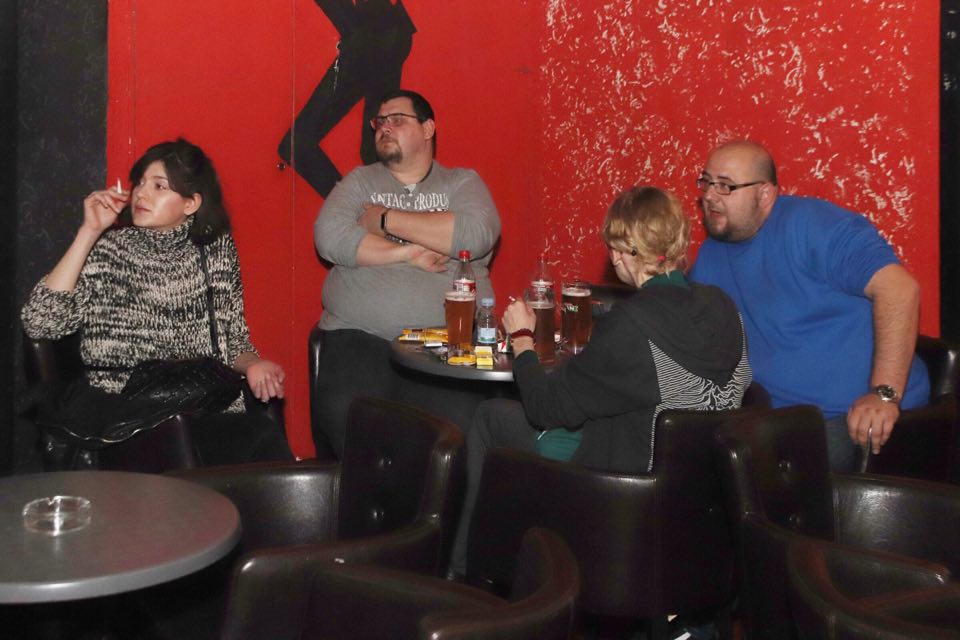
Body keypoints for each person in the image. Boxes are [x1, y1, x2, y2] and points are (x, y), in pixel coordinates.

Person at [449, 185, 752, 576]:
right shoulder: (724, 306)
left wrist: (522, 338)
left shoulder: (632, 323)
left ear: (623, 252)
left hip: (623, 493)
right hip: (702, 496)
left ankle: (466, 574)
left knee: (491, 416)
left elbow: (544, 408)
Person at [21, 138, 293, 465]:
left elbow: (231, 339)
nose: (142, 194)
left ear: (191, 203)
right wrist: (89, 232)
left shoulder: (215, 251)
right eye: (140, 183)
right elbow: (40, 323)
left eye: (159, 186)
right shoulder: (109, 250)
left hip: (199, 406)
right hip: (127, 415)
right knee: (201, 441)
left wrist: (253, 365)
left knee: (259, 435)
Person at [689, 140, 929, 472]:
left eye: (726, 186)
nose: (710, 196)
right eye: (707, 182)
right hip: (773, 418)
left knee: (746, 471)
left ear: (765, 195)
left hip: (853, 418)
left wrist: (883, 395)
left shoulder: (814, 226)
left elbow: (901, 290)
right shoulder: (711, 254)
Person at [313, 88, 501, 456]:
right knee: (348, 413)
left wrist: (384, 220)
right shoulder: (359, 182)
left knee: (456, 428)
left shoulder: (462, 183)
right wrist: (408, 252)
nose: (384, 127)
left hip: (445, 340)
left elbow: (474, 235)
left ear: (428, 128)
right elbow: (329, 237)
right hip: (360, 335)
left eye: (397, 120)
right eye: (380, 122)